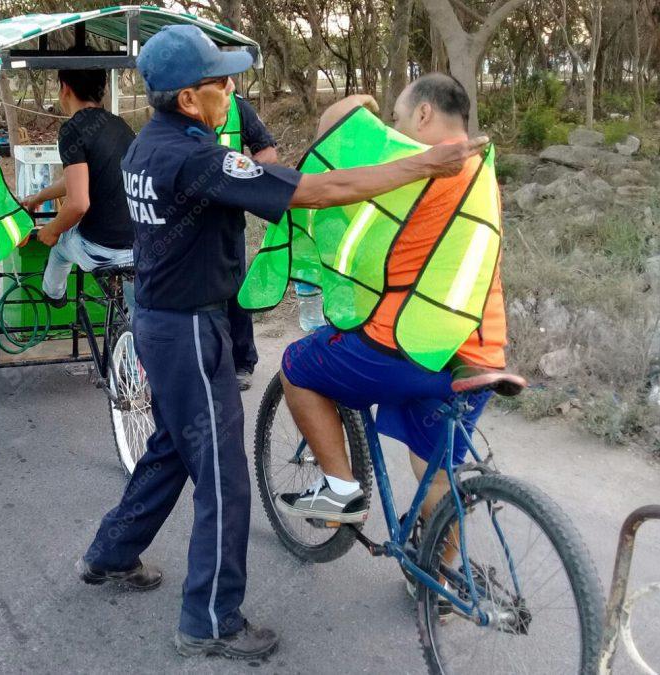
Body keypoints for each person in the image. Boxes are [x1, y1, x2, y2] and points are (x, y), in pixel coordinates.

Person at [74, 27, 487, 660]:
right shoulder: (198, 157)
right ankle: (210, 620)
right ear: (189, 98)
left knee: (173, 448)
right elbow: (319, 192)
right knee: (225, 477)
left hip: (163, 319)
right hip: (186, 327)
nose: (231, 90)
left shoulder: (148, 147)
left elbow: (262, 176)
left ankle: (111, 552)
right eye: (220, 83)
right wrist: (425, 164)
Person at [276, 74, 507, 532]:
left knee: (295, 365)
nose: (394, 129)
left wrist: (358, 101)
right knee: (435, 476)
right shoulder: (482, 171)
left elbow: (332, 134)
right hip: (478, 352)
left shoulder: (414, 166)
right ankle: (440, 586)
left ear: (424, 115)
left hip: (404, 345)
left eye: (398, 118)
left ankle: (340, 491)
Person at [20, 68, 136, 308]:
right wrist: (39, 197)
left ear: (65, 88)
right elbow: (78, 180)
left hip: (99, 247)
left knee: (61, 247)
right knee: (134, 321)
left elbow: (78, 203)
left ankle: (54, 296)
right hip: (136, 245)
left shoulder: (72, 130)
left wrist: (52, 229)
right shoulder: (119, 125)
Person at [216, 91, 278, 390]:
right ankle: (211, 359)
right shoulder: (181, 102)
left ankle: (242, 361)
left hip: (228, 218)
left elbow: (267, 153)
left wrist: (239, 177)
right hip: (188, 216)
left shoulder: (238, 106)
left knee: (235, 287)